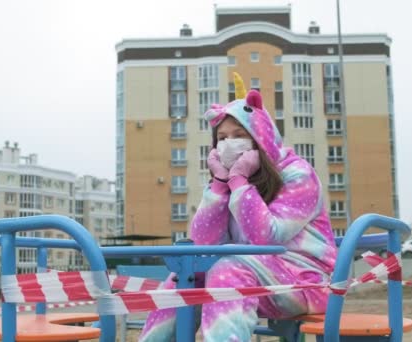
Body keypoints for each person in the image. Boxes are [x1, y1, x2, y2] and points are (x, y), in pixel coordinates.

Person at [139, 73, 337, 342]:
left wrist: (240, 181)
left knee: (228, 269)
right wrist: (221, 185)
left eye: (239, 135)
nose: (228, 143)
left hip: (307, 280)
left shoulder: (298, 174)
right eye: (221, 137)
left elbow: (266, 238)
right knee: (183, 276)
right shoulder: (229, 180)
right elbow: (202, 244)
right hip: (256, 276)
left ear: (260, 138)